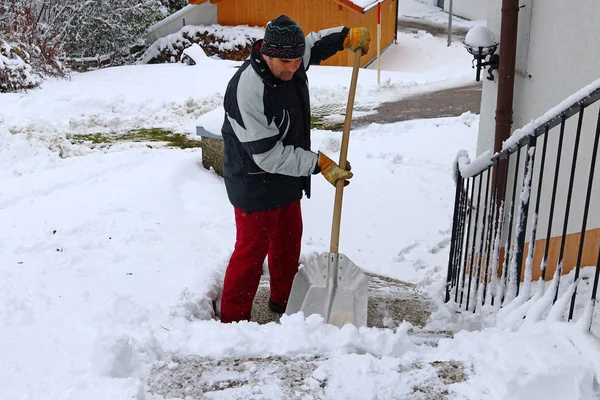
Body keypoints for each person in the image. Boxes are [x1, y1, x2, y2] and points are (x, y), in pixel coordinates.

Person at [219, 14, 370, 323]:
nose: (292, 68)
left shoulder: (293, 59)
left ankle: (285, 302)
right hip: (254, 180)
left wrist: (345, 36)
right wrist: (319, 164)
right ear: (266, 53)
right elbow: (269, 156)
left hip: (287, 176)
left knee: (288, 242)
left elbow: (314, 44)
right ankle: (232, 322)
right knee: (251, 252)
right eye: (284, 62)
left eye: (296, 61)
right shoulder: (248, 89)